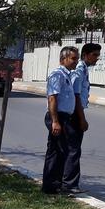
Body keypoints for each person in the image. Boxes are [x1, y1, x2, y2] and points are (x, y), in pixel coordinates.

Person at [42, 46, 81, 195]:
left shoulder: (67, 75)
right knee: (55, 151)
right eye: (73, 58)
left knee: (62, 151)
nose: (76, 61)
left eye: (76, 58)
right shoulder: (57, 75)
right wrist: (55, 121)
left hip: (64, 117)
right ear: (63, 59)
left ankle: (56, 185)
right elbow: (52, 98)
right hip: (58, 117)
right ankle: (50, 187)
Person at [67, 43, 102, 193]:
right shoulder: (80, 70)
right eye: (94, 55)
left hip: (76, 112)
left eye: (97, 55)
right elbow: (75, 96)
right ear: (86, 55)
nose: (97, 58)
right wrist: (82, 119)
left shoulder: (83, 69)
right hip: (74, 113)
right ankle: (70, 184)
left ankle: (68, 183)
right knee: (73, 150)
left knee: (73, 149)